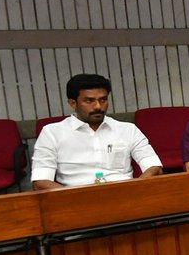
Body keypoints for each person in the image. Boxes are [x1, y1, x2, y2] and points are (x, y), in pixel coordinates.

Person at [31, 74, 164, 189]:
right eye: (89, 101)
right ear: (72, 103)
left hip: (126, 194)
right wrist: (75, 199)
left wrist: (136, 189)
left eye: (103, 100)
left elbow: (154, 168)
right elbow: (41, 182)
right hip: (74, 200)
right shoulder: (52, 133)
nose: (98, 106)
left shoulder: (127, 130)